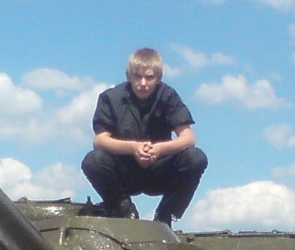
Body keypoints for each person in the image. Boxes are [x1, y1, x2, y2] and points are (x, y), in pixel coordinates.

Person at [81, 47, 208, 227]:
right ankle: (124, 210)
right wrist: (133, 148)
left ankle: (165, 216)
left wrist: (159, 149)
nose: (143, 83)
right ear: (128, 75)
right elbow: (100, 140)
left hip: (159, 170)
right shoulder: (110, 98)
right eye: (137, 76)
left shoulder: (168, 96)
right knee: (93, 161)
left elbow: (188, 138)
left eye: (149, 77)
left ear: (159, 77)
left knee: (196, 157)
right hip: (125, 171)